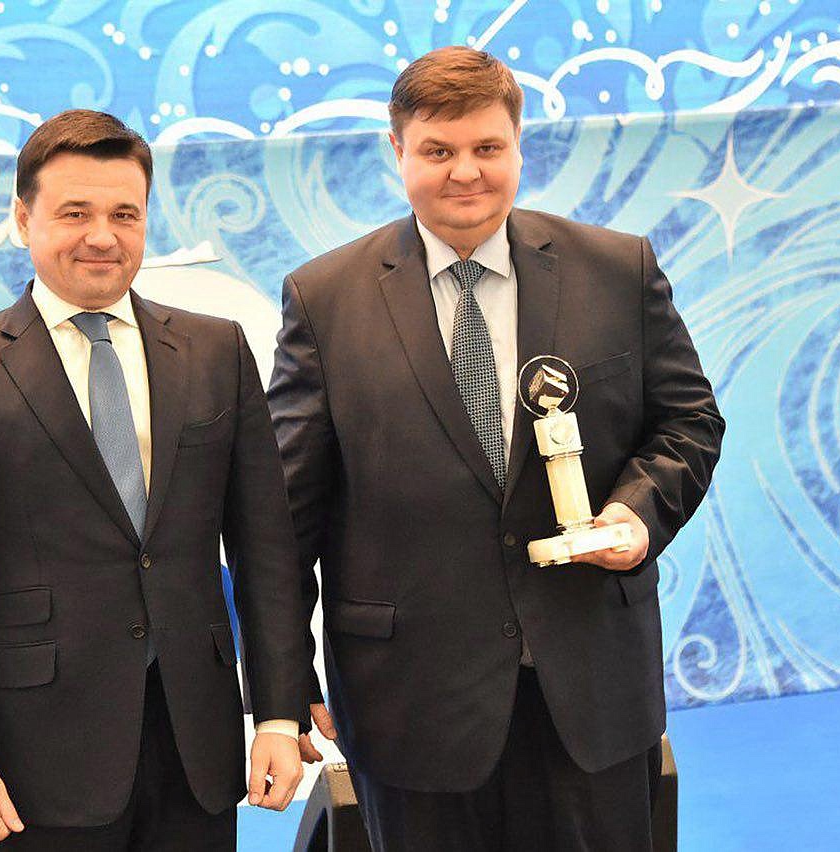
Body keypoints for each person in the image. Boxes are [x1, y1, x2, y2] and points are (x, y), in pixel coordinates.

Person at [269, 47, 724, 851]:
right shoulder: (325, 299)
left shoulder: (617, 269)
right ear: (397, 151)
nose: (465, 172)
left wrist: (635, 514)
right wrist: (282, 685)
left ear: (519, 145)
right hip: (410, 706)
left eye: (487, 147)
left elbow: (688, 421)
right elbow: (285, 515)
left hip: (591, 688)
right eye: (437, 150)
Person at [0, 109, 309, 851]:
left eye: (124, 214)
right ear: (25, 218)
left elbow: (266, 549)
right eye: (74, 213)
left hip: (197, 747)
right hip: (34, 757)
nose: (102, 236)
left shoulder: (215, 350)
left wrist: (278, 713)